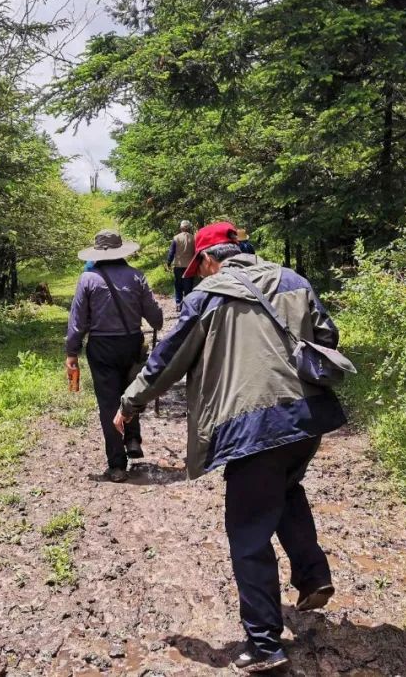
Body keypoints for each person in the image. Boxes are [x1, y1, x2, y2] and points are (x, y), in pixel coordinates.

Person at [115, 222, 346, 672]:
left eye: (196, 268)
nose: (196, 275)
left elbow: (167, 361)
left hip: (252, 425)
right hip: (308, 416)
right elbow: (327, 337)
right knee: (284, 488)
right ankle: (313, 573)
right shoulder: (292, 279)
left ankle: (264, 644)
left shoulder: (208, 296)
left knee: (247, 533)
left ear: (205, 259)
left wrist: (130, 403)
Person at [66, 229, 164, 483]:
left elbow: (78, 320)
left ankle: (117, 465)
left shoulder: (87, 279)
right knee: (131, 391)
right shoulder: (136, 276)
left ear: (97, 253)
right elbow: (155, 317)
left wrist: (71, 351)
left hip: (101, 347)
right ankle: (132, 439)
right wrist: (155, 318)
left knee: (108, 402)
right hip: (132, 343)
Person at [165, 220, 196, 306]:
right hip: (189, 266)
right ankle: (188, 304)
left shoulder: (176, 238)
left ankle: (178, 303)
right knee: (188, 286)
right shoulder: (193, 238)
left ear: (181, 228)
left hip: (178, 265)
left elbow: (171, 252)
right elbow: (196, 252)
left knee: (178, 285)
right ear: (189, 228)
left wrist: (168, 263)